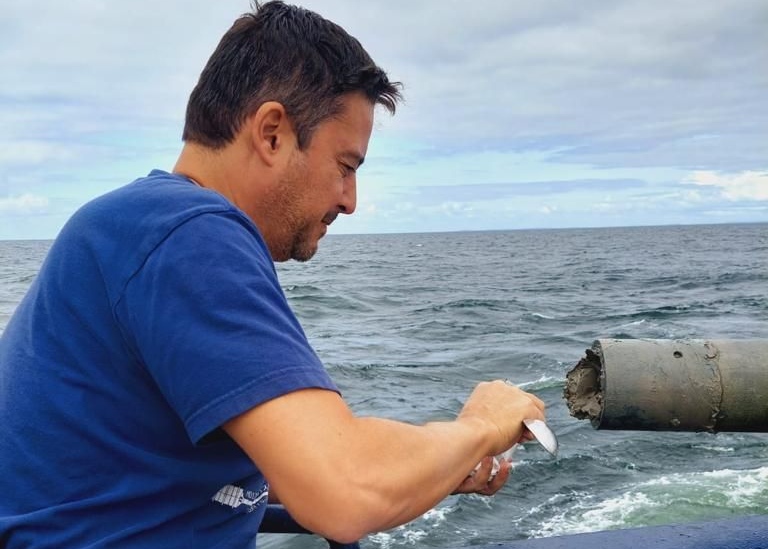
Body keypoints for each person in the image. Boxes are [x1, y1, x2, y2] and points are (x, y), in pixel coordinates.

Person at [0, 2, 546, 547]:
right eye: (346, 167)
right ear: (272, 133)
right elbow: (342, 490)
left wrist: (427, 467)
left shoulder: (138, 226)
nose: (350, 200)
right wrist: (481, 427)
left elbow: (181, 475)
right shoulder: (189, 234)